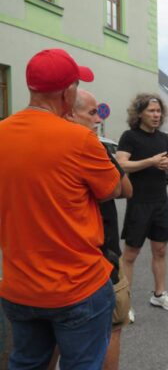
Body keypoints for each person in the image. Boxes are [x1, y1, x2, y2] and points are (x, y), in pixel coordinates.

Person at [0, 48, 121, 369]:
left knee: (25, 363)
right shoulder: (80, 139)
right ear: (68, 93)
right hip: (76, 286)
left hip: (19, 287)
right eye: (77, 86)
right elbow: (113, 189)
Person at [64, 89, 133, 370]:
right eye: (91, 113)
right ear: (69, 112)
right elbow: (126, 188)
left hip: (45, 265)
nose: (97, 120)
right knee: (112, 327)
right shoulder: (91, 148)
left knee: (47, 340)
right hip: (98, 260)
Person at [116, 93, 168, 323]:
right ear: (140, 113)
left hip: (161, 203)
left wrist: (167, 164)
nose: (156, 115)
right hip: (139, 203)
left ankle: (159, 294)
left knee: (160, 250)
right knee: (131, 254)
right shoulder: (129, 137)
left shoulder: (163, 138)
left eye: (158, 111)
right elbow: (122, 164)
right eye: (151, 111)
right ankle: (125, 302)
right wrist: (151, 162)